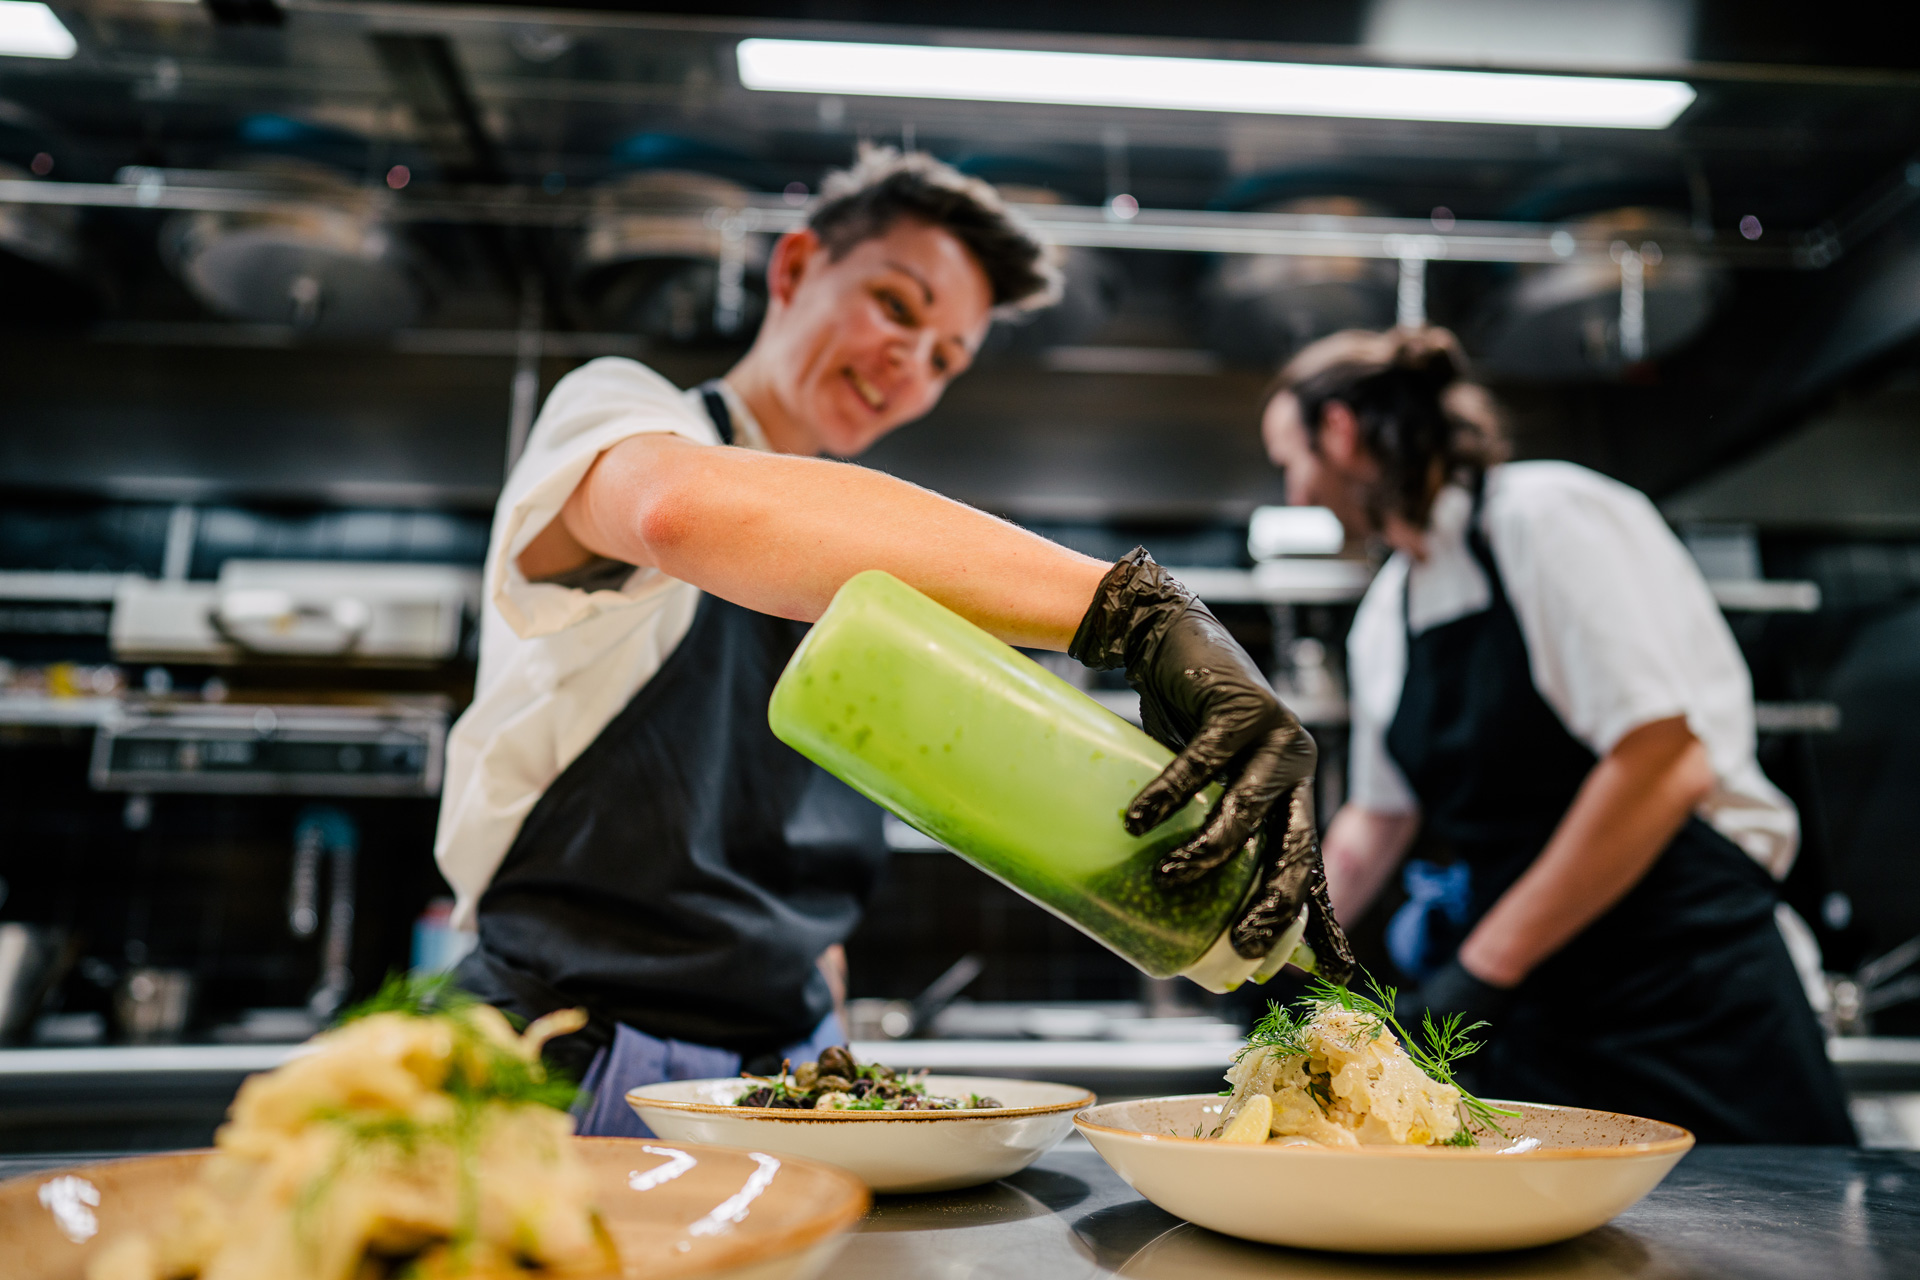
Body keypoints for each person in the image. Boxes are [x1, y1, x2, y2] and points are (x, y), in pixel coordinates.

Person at [436, 148, 1353, 1136]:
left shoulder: (872, 575)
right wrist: (1138, 611)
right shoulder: (623, 414)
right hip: (570, 1064)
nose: (910, 363)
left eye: (947, 356)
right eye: (896, 305)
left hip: (787, 1080)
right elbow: (677, 508)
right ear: (793, 270)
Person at [1259, 326, 1854, 1144]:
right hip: (1540, 1007)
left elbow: (1663, 764)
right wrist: (1267, 939)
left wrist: (1481, 968)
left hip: (1683, 984)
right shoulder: (1388, 611)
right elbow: (1378, 819)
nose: (1295, 497)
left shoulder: (1548, 516)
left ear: (1341, 432)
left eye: (1290, 462)